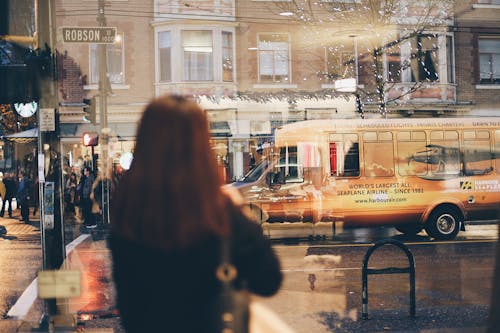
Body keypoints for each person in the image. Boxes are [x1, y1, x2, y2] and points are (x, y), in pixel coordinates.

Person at [109, 95, 282, 333]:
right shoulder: (217, 213)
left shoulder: (129, 210)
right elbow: (268, 280)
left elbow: (129, 301)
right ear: (201, 146)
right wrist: (237, 210)